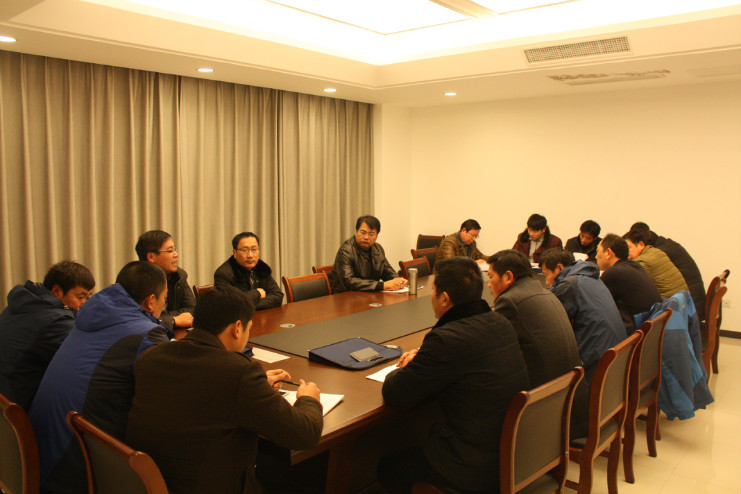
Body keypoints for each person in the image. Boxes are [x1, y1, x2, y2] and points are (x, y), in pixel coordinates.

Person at [127, 284, 323, 494]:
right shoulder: (239, 372)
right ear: (237, 328)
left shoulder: (151, 357)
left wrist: (255, 388)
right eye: (249, 328)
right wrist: (309, 399)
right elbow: (305, 434)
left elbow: (197, 393)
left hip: (151, 483)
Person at [378, 257, 529, 494]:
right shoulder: (499, 322)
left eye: (434, 291)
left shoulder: (446, 340)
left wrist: (406, 368)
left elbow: (396, 393)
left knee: (388, 468)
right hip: (509, 450)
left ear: (445, 299)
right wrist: (425, 360)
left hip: (472, 464)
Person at [29, 261, 170, 494]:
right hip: (71, 468)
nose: (164, 305)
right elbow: (167, 398)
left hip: (40, 454)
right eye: (164, 298)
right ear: (151, 301)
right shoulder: (146, 334)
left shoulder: (92, 316)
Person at [486, 249, 588, 437]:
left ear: (508, 277)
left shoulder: (511, 301)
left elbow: (490, 346)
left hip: (546, 410)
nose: (489, 283)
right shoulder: (544, 292)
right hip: (570, 399)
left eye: (491, 277)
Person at [0, 261, 94, 411]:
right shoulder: (56, 321)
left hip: (5, 397)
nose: (84, 304)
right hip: (22, 405)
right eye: (80, 297)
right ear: (56, 291)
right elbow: (85, 361)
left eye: (88, 297)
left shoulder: (23, 304)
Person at [539, 248, 624, 382]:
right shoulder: (590, 277)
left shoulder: (569, 284)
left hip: (596, 359)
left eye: (546, 274)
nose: (547, 282)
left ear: (559, 268)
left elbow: (550, 322)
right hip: (615, 352)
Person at [629, 222, 705, 320]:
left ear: (641, 244)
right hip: (692, 304)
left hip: (690, 309)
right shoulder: (665, 244)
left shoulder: (657, 253)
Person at [596, 234, 662, 335]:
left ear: (609, 253)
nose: (596, 256)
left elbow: (594, 301)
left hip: (637, 331)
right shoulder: (634, 265)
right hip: (651, 327)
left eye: (597, 251)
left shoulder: (614, 273)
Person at [135, 230, 196, 331]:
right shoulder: (135, 281)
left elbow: (192, 310)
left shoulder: (179, 275)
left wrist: (164, 318)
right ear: (151, 257)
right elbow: (139, 319)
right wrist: (173, 320)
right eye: (170, 251)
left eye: (175, 250)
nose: (176, 255)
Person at [329, 215, 407, 293]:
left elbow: (387, 271)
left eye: (371, 234)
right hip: (345, 296)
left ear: (377, 236)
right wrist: (381, 285)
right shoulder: (346, 250)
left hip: (368, 294)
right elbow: (349, 281)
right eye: (363, 232)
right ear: (356, 232)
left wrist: (398, 281)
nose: (366, 237)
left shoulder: (378, 249)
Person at [214, 232, 284, 310]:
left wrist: (248, 304)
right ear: (234, 253)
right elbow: (232, 305)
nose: (250, 255)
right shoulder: (224, 274)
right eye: (244, 250)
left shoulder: (261, 268)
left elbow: (277, 296)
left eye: (254, 249)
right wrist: (257, 293)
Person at [624, 229, 688, 299]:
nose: (626, 253)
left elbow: (632, 287)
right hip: (684, 300)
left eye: (629, 248)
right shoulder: (656, 251)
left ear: (641, 245)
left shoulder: (642, 261)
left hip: (670, 303)